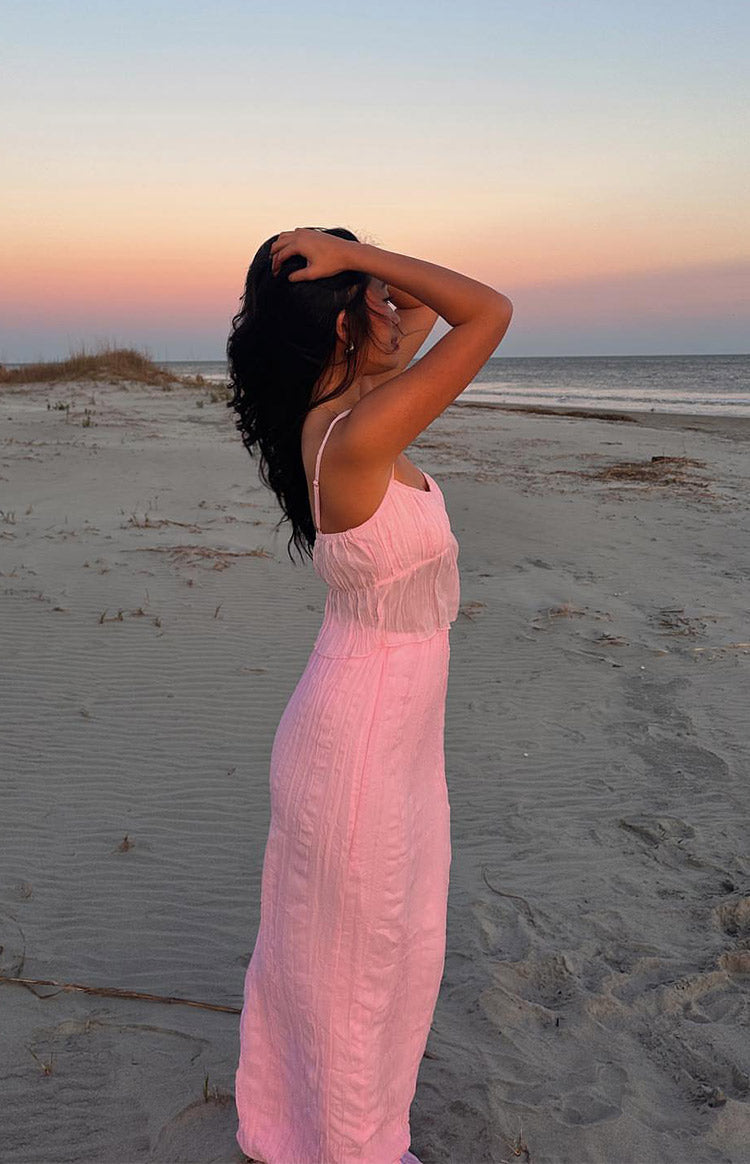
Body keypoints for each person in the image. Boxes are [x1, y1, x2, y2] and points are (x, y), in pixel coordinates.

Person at [228, 227, 513, 1164]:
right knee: (358, 973)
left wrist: (351, 261)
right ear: (347, 323)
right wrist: (369, 254)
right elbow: (490, 311)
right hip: (358, 748)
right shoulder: (358, 434)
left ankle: (313, 1134)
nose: (400, 314)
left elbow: (435, 309)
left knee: (370, 961)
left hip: (386, 740)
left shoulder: (356, 403)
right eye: (378, 300)